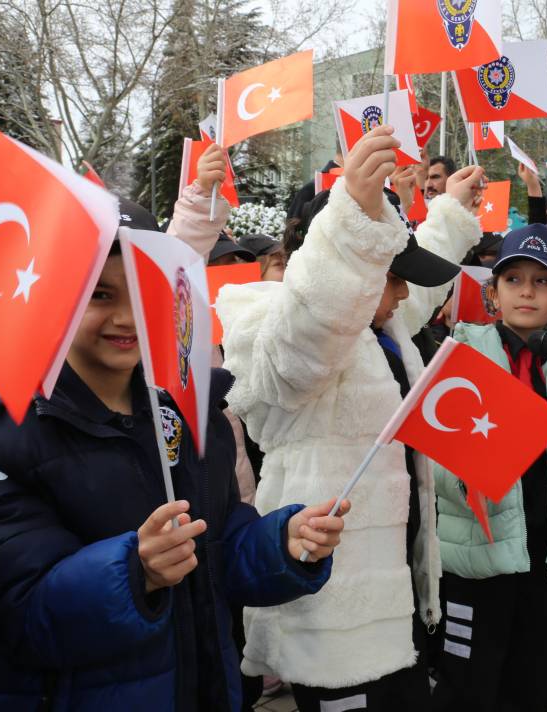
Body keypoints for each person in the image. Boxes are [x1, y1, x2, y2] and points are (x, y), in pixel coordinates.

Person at [0, 208, 347, 709]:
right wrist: (134, 571)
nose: (127, 317)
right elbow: (20, 609)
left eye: (145, 293)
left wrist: (280, 543)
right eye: (100, 294)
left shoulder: (189, 411)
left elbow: (218, 548)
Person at [217, 126, 485, 710]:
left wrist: (450, 211)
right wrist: (352, 221)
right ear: (349, 265)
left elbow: (402, 296)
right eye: (390, 274)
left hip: (390, 597)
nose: (402, 293)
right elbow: (306, 341)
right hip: (331, 610)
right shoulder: (265, 320)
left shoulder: (379, 327)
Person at [429, 224, 547, 712]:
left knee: (532, 677)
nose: (527, 292)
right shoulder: (464, 349)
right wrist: (477, 471)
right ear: (493, 293)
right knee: (469, 682)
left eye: (543, 281)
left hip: (544, 549)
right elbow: (438, 455)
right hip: (479, 549)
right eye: (513, 279)